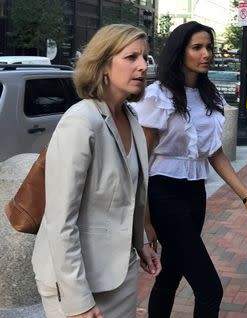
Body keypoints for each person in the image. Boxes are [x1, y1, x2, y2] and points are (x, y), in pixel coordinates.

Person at [133, 21, 247, 318]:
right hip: (163, 194)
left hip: (195, 194)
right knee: (210, 289)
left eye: (209, 47)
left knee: (170, 276)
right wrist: (145, 219)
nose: (206, 53)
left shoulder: (211, 96)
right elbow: (141, 161)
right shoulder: (158, 96)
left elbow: (214, 153)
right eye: (197, 47)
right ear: (180, 52)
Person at [31, 24, 161, 318]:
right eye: (131, 57)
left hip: (120, 273)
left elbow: (127, 198)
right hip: (77, 280)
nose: (143, 65)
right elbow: (59, 220)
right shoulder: (81, 121)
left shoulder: (130, 117)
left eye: (145, 56)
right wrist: (78, 300)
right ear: (103, 64)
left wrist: (141, 243)